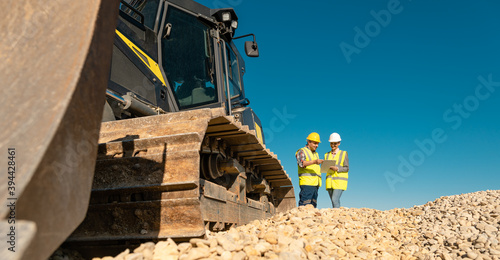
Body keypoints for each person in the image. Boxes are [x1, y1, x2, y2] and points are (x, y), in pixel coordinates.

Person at [296, 132, 324, 207]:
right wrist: (315, 161)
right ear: (309, 142)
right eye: (315, 143)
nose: (317, 146)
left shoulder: (316, 154)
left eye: (318, 144)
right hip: (307, 183)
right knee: (304, 205)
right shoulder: (302, 151)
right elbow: (301, 163)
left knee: (313, 206)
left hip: (315, 184)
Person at [324, 132, 349, 208]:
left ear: (339, 143)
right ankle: (336, 216)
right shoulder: (326, 155)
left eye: (335, 143)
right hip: (329, 181)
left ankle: (337, 216)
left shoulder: (343, 153)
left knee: (335, 199)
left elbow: (347, 168)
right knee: (333, 200)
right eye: (331, 143)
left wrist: (337, 168)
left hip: (339, 181)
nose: (333, 145)